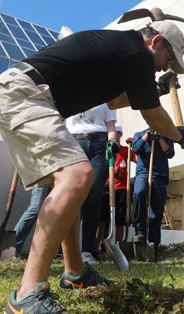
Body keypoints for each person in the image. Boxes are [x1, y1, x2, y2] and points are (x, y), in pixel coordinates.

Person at [0, 20, 184, 314]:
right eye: (167, 60)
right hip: (23, 94)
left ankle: (75, 271)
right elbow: (154, 118)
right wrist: (180, 134)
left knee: (71, 183)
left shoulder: (124, 52)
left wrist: (155, 89)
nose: (163, 67)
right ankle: (26, 295)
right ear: (155, 41)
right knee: (78, 175)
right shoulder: (136, 52)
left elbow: (115, 99)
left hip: (23, 95)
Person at [65, 103, 118, 266]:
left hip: (99, 146)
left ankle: (87, 251)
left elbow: (110, 125)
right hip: (74, 143)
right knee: (73, 198)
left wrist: (113, 141)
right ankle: (68, 252)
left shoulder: (107, 98)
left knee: (93, 198)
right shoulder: (72, 92)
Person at [130, 127, 174, 260]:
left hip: (159, 175)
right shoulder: (139, 134)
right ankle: (140, 230)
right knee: (138, 193)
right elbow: (135, 149)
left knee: (157, 211)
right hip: (143, 172)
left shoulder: (166, 135)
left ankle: (154, 245)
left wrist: (160, 137)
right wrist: (146, 137)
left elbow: (170, 153)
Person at [95, 124, 130, 252]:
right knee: (102, 221)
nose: (116, 136)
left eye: (118, 133)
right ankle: (95, 248)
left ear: (120, 134)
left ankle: (118, 249)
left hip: (120, 189)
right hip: (106, 187)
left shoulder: (126, 150)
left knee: (119, 221)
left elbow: (137, 159)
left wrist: (135, 147)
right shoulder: (104, 149)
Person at [13, 183, 51, 258]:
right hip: (42, 176)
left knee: (49, 211)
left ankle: (42, 253)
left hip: (55, 177)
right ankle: (12, 246)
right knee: (35, 208)